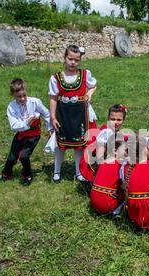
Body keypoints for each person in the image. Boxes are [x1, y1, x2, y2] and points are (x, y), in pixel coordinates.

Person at [48, 45, 98, 183]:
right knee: (60, 143)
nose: (73, 62)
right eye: (70, 59)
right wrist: (52, 117)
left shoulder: (85, 74)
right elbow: (53, 98)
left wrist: (89, 94)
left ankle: (79, 172)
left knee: (79, 144)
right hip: (62, 114)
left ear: (80, 60)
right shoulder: (56, 78)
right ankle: (57, 171)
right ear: (65, 58)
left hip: (80, 114)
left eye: (76, 60)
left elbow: (93, 85)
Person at [0, 79, 52, 186]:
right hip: (21, 133)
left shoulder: (35, 102)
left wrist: (50, 129)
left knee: (24, 156)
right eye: (19, 97)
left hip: (34, 134)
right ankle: (7, 173)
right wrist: (26, 124)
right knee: (12, 157)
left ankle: (27, 175)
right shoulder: (11, 107)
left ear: (26, 91)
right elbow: (13, 125)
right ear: (12, 95)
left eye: (24, 95)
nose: (22, 98)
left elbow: (46, 114)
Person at [79, 104, 127, 183]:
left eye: (119, 120)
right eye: (112, 119)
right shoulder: (106, 132)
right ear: (108, 119)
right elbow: (99, 155)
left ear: (123, 120)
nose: (115, 122)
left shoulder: (117, 133)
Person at [90, 134, 127, 218]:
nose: (126, 153)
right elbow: (124, 186)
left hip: (94, 202)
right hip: (107, 204)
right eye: (125, 150)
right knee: (128, 189)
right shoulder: (119, 166)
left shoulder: (102, 163)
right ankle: (116, 211)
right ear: (114, 150)